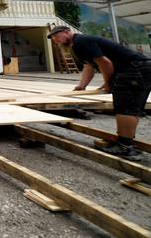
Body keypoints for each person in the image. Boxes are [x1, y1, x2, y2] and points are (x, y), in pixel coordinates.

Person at [48, 25, 151, 161]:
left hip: (134, 69)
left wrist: (108, 83)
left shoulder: (81, 41)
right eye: (53, 38)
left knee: (125, 108)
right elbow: (89, 65)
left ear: (67, 32)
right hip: (138, 69)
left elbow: (105, 63)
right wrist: (82, 85)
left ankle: (125, 146)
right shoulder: (77, 45)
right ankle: (125, 143)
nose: (56, 40)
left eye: (57, 36)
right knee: (130, 107)